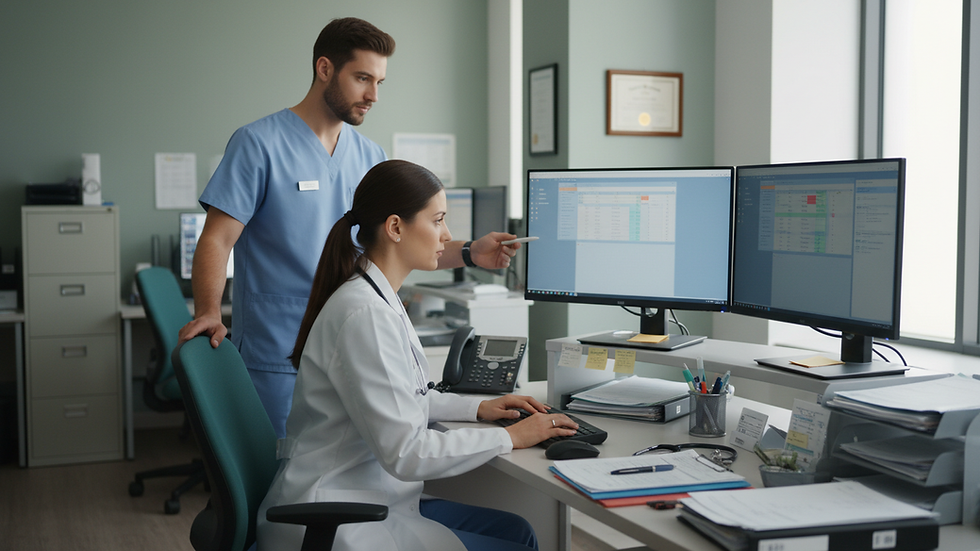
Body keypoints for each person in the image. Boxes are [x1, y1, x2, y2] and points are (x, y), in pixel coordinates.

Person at [177, 18, 519, 438]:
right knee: (281, 472)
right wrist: (208, 312)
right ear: (325, 69)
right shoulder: (258, 144)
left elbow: (401, 242)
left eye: (379, 82)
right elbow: (217, 239)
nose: (373, 95)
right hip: (278, 353)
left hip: (356, 349)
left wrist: (471, 252)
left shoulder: (370, 155)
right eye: (362, 78)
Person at [256, 160, 579, 551]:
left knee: (519, 530)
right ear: (395, 228)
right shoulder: (365, 314)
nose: (447, 235)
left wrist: (478, 408)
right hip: (338, 513)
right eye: (438, 220)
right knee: (517, 542)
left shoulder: (377, 295)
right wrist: (511, 437)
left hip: (372, 495)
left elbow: (404, 398)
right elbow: (407, 453)